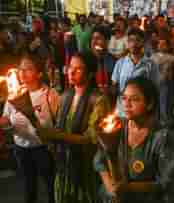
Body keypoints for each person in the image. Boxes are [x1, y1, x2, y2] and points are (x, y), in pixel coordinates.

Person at [0, 52, 60, 203]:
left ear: (39, 73)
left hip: (43, 148)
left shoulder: (49, 94)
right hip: (21, 148)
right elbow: (7, 118)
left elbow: (58, 122)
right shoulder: (14, 95)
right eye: (21, 69)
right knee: (29, 185)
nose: (22, 73)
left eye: (28, 69)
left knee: (51, 185)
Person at [39, 53, 111, 203]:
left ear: (90, 73)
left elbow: (90, 138)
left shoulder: (98, 100)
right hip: (64, 164)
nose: (71, 72)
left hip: (85, 167)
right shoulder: (66, 95)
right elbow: (59, 125)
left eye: (78, 69)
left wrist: (55, 135)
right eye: (70, 67)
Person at [94, 77, 174, 203]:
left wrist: (128, 187)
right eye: (124, 98)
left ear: (150, 104)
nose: (127, 104)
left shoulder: (161, 137)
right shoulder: (117, 126)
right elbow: (99, 160)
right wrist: (110, 185)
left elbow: (165, 182)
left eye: (135, 99)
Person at [111, 28, 159, 117]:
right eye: (131, 40)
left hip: (141, 111)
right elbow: (114, 84)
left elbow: (154, 88)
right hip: (122, 110)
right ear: (127, 43)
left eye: (137, 40)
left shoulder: (150, 65)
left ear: (143, 42)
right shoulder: (120, 63)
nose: (134, 44)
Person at [151, 37, 174, 128]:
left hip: (167, 84)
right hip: (155, 84)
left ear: (168, 46)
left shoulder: (172, 58)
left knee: (166, 104)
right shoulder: (153, 57)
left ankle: (166, 123)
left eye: (164, 44)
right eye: (159, 43)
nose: (161, 45)